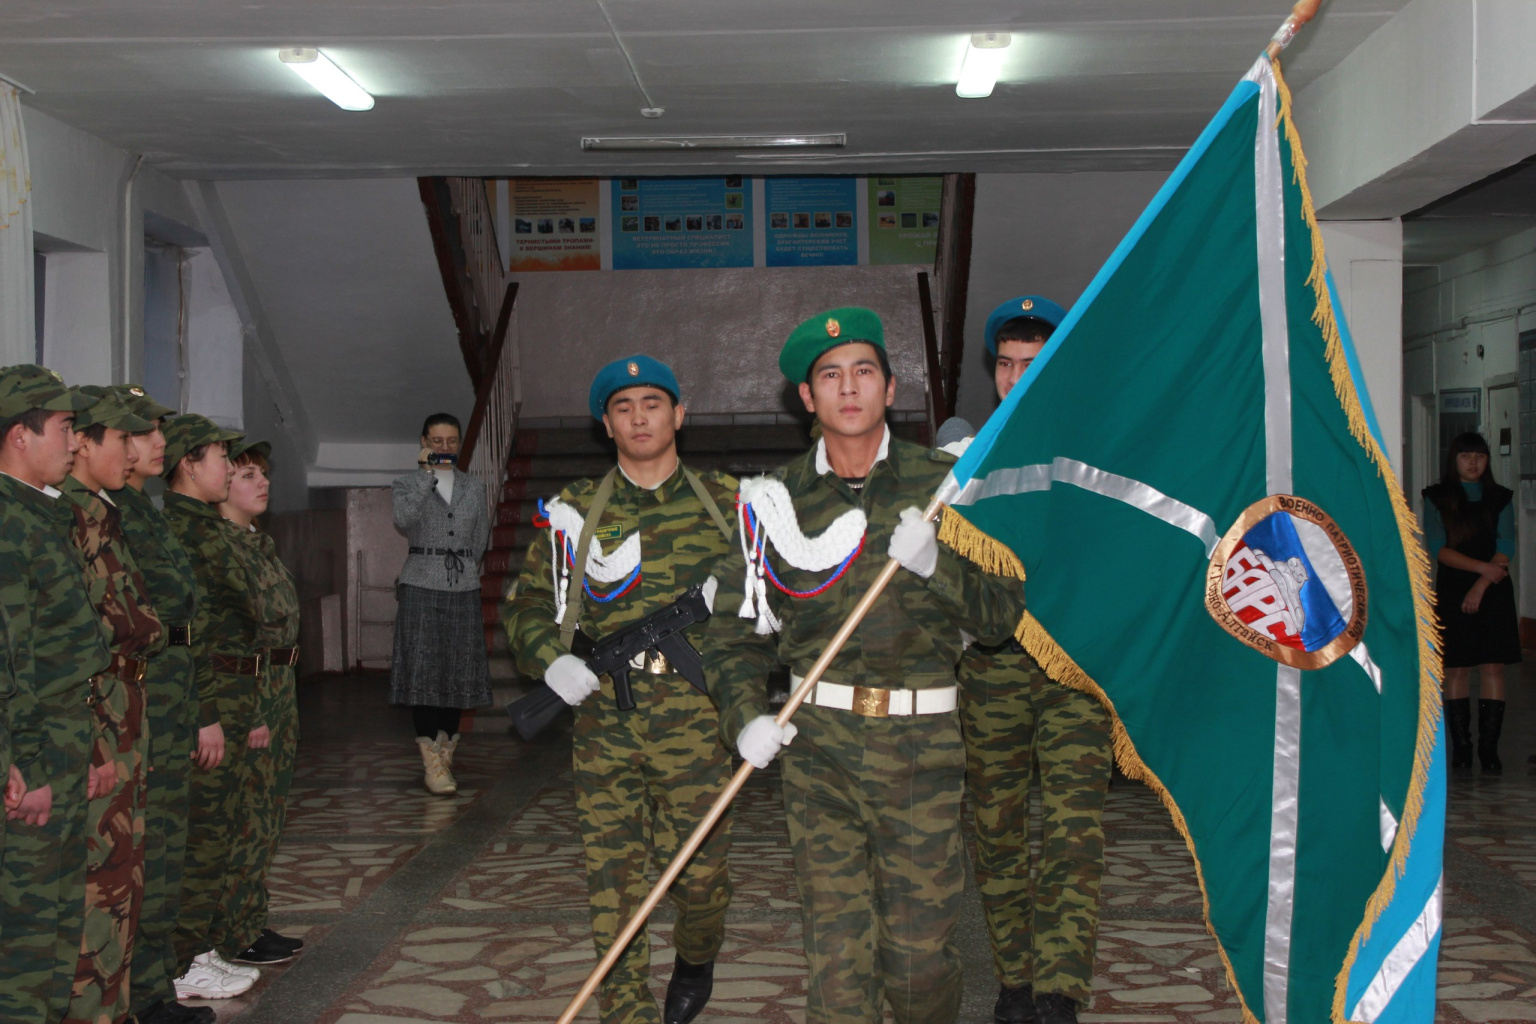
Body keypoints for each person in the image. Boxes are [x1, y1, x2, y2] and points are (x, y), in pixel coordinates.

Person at [702, 310, 1027, 1024]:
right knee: (837, 960)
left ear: (889, 387)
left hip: (922, 754)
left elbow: (1001, 617)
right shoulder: (772, 502)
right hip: (818, 751)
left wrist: (938, 564)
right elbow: (731, 633)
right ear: (806, 399)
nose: (848, 388)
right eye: (829, 375)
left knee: (918, 963)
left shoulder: (946, 485)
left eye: (863, 372)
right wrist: (744, 717)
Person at [504, 355, 737, 1024]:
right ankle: (626, 1012)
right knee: (614, 882)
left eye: (653, 403)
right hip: (608, 716)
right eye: (625, 406)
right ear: (605, 423)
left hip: (700, 719)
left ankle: (696, 956)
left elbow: (778, 602)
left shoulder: (728, 502)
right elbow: (526, 605)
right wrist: (552, 659)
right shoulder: (575, 509)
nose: (640, 416)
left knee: (702, 880)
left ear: (679, 415)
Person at [958, 298, 1113, 1024]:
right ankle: (1016, 979)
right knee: (996, 829)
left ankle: (1059, 992)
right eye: (1007, 364)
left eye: (1034, 364)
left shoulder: (1098, 454)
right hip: (992, 665)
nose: (1018, 377)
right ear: (993, 372)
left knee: (1075, 829)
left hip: (1074, 668)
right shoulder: (967, 456)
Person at [0, 365, 110, 1024]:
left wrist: (92, 747)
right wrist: (34, 766)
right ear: (20, 435)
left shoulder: (41, 512)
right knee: (29, 933)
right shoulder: (10, 524)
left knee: (58, 918)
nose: (75, 443)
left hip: (67, 736)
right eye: (66, 428)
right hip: (37, 749)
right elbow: (15, 664)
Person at [105, 386, 217, 1024]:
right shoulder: (102, 509)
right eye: (141, 433)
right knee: (135, 850)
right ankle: (135, 991)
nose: (155, 445)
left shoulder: (140, 508)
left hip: (168, 683)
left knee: (162, 848)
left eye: (154, 433)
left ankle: (151, 987)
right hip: (138, 688)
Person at [59, 386, 166, 1024]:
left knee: (125, 877)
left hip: (127, 704)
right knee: (98, 884)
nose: (136, 452)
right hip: (100, 712)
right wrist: (97, 738)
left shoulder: (105, 513)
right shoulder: (65, 518)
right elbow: (77, 641)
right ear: (84, 442)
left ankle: (113, 1008)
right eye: (123, 439)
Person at [160, 414, 266, 1000]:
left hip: (231, 688)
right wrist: (207, 710)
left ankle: (197, 945)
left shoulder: (208, 526)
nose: (229, 467)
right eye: (221, 458)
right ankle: (184, 957)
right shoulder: (184, 529)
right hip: (209, 691)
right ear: (188, 464)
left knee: (217, 829)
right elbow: (187, 630)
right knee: (200, 833)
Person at [216, 438, 304, 966]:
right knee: (245, 818)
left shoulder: (257, 541)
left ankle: (250, 918)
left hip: (279, 691)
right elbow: (228, 641)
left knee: (266, 816)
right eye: (248, 475)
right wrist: (250, 715)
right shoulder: (221, 546)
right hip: (252, 695)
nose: (262, 483)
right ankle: (231, 930)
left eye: (264, 474)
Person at [390, 413, 491, 795]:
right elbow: (404, 518)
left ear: (460, 442)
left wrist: (462, 568)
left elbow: (479, 537)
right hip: (420, 583)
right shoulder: (406, 485)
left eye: (451, 441)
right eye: (437, 441)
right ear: (423, 442)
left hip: (463, 585)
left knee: (458, 675)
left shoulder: (474, 487)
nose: (444, 448)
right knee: (424, 675)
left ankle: (445, 752)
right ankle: (430, 758)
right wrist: (425, 475)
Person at [1422, 431, 1519, 773]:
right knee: (1457, 667)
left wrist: (1482, 583)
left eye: (1480, 456)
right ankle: (1462, 747)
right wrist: (1482, 570)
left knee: (1493, 666)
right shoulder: (1437, 497)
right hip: (1454, 586)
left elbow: (1507, 543)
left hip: (1493, 587)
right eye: (1466, 456)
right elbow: (1439, 550)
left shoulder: (1501, 497)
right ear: (1455, 460)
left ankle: (1489, 749)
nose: (1474, 462)